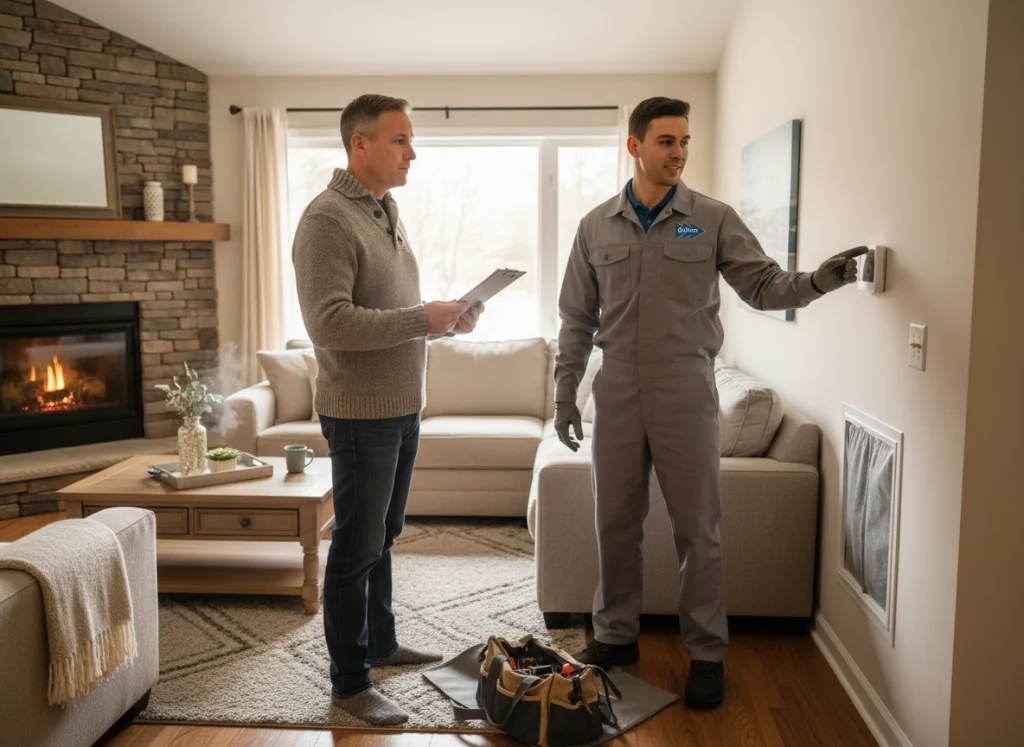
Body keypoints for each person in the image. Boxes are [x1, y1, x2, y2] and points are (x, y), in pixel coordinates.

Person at [553, 96, 864, 710]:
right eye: (666, 141)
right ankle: (616, 636)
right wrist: (565, 392)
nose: (679, 153)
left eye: (685, 141)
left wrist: (818, 282)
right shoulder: (594, 226)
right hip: (615, 390)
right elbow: (575, 318)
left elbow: (764, 285)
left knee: (699, 530)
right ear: (635, 146)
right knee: (613, 524)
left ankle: (706, 654)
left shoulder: (713, 218)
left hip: (685, 389)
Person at [292, 93, 483, 726]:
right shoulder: (326, 219)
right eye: (399, 140)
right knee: (355, 544)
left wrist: (442, 322)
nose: (412, 152)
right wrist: (419, 319)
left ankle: (381, 641)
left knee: (385, 536)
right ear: (360, 145)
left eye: (410, 139)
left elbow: (391, 311)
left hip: (402, 406)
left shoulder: (383, 209)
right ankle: (349, 683)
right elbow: (330, 323)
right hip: (360, 412)